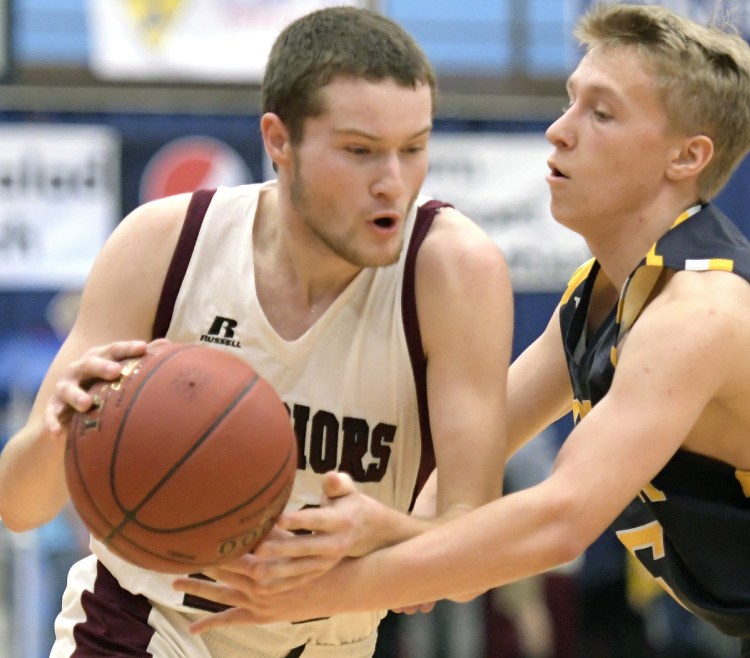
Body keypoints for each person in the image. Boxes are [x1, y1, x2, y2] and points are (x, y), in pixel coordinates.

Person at [171, 4, 750, 656]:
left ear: (687, 157)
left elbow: (557, 522)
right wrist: (395, 531)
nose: (559, 131)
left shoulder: (699, 314)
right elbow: (470, 466)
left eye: (602, 113)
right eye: (570, 102)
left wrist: (320, 593)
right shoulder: (606, 293)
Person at [0, 6, 514, 658]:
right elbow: (19, 504)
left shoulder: (453, 272)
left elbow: (474, 546)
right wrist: (58, 431)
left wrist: (380, 531)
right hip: (141, 628)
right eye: (359, 151)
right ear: (279, 140)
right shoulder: (166, 244)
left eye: (414, 149)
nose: (393, 182)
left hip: (332, 641)